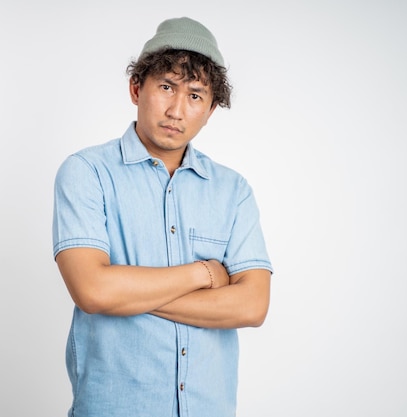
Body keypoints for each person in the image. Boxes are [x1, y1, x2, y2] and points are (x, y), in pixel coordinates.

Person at [52, 16, 273, 417]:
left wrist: (129, 295)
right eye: (166, 87)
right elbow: (93, 291)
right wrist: (203, 275)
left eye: (195, 96)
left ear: (210, 110)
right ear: (137, 88)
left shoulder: (232, 191)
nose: (176, 110)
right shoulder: (87, 173)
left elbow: (252, 306)